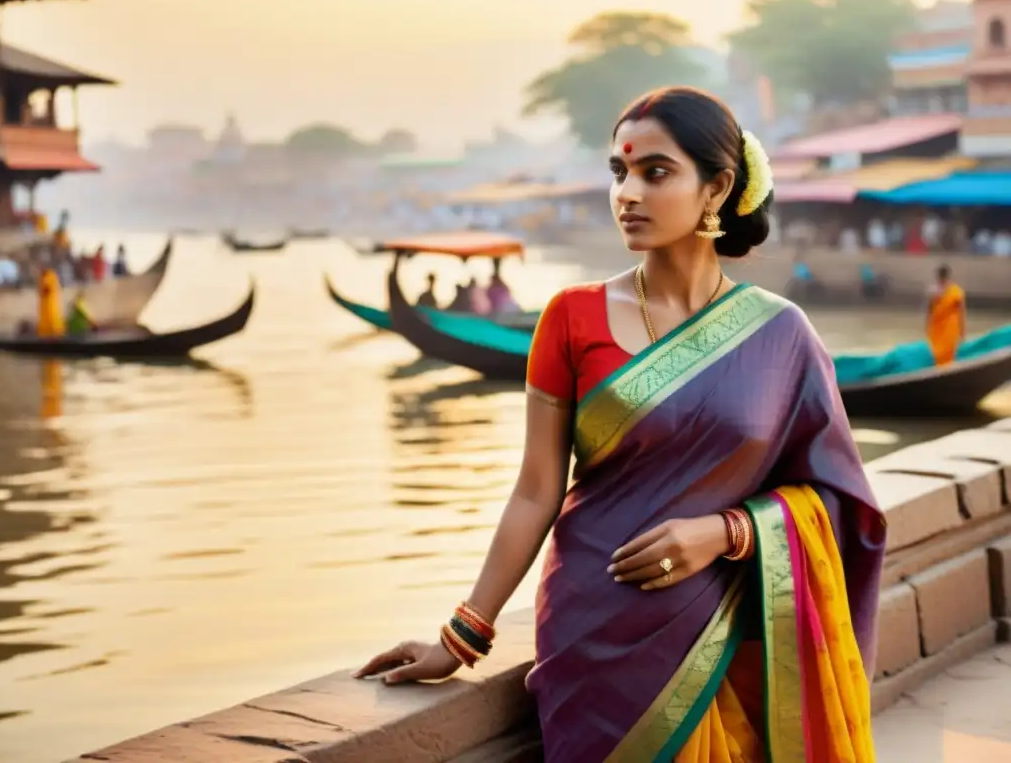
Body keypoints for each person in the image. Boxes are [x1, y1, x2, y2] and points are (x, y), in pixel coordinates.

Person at [355, 87, 886, 763]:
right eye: (618, 172)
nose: (627, 193)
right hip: (592, 628)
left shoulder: (782, 335)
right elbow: (534, 492)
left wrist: (727, 533)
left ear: (717, 187)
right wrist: (459, 638)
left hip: (722, 627)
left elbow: (843, 506)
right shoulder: (570, 318)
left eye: (655, 172)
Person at [925, 264, 965, 365]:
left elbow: (929, 312)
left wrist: (927, 326)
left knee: (943, 353)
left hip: (945, 329)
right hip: (941, 329)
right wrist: (962, 332)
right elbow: (961, 313)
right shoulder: (955, 291)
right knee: (941, 353)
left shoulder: (954, 292)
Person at [36, 268, 66, 338]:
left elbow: (47, 287)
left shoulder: (50, 278)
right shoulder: (46, 278)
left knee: (52, 316)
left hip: (50, 306)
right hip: (46, 309)